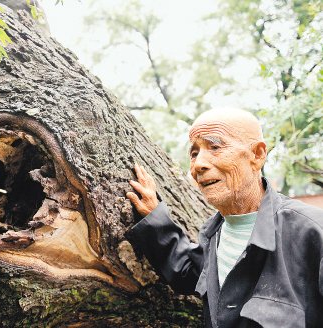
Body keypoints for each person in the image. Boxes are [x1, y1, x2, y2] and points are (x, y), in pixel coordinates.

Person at [126, 109, 323, 327]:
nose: (198, 164)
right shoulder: (213, 235)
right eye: (194, 153)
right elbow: (187, 272)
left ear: (257, 155)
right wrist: (154, 217)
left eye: (215, 147)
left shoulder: (312, 231)